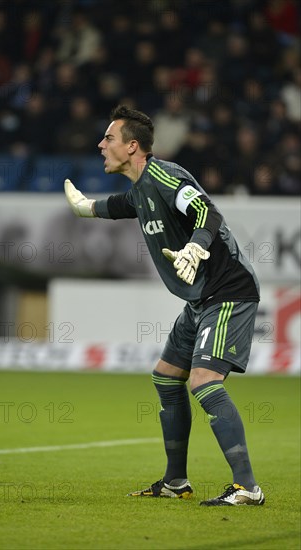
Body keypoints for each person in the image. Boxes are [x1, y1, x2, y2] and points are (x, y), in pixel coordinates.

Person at [64, 105, 265, 507]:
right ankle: (176, 481)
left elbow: (208, 211)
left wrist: (195, 245)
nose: (101, 144)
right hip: (198, 301)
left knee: (204, 382)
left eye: (109, 138)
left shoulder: (165, 176)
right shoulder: (140, 190)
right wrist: (83, 207)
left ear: (132, 146)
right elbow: (115, 207)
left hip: (228, 292)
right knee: (165, 378)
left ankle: (248, 488)